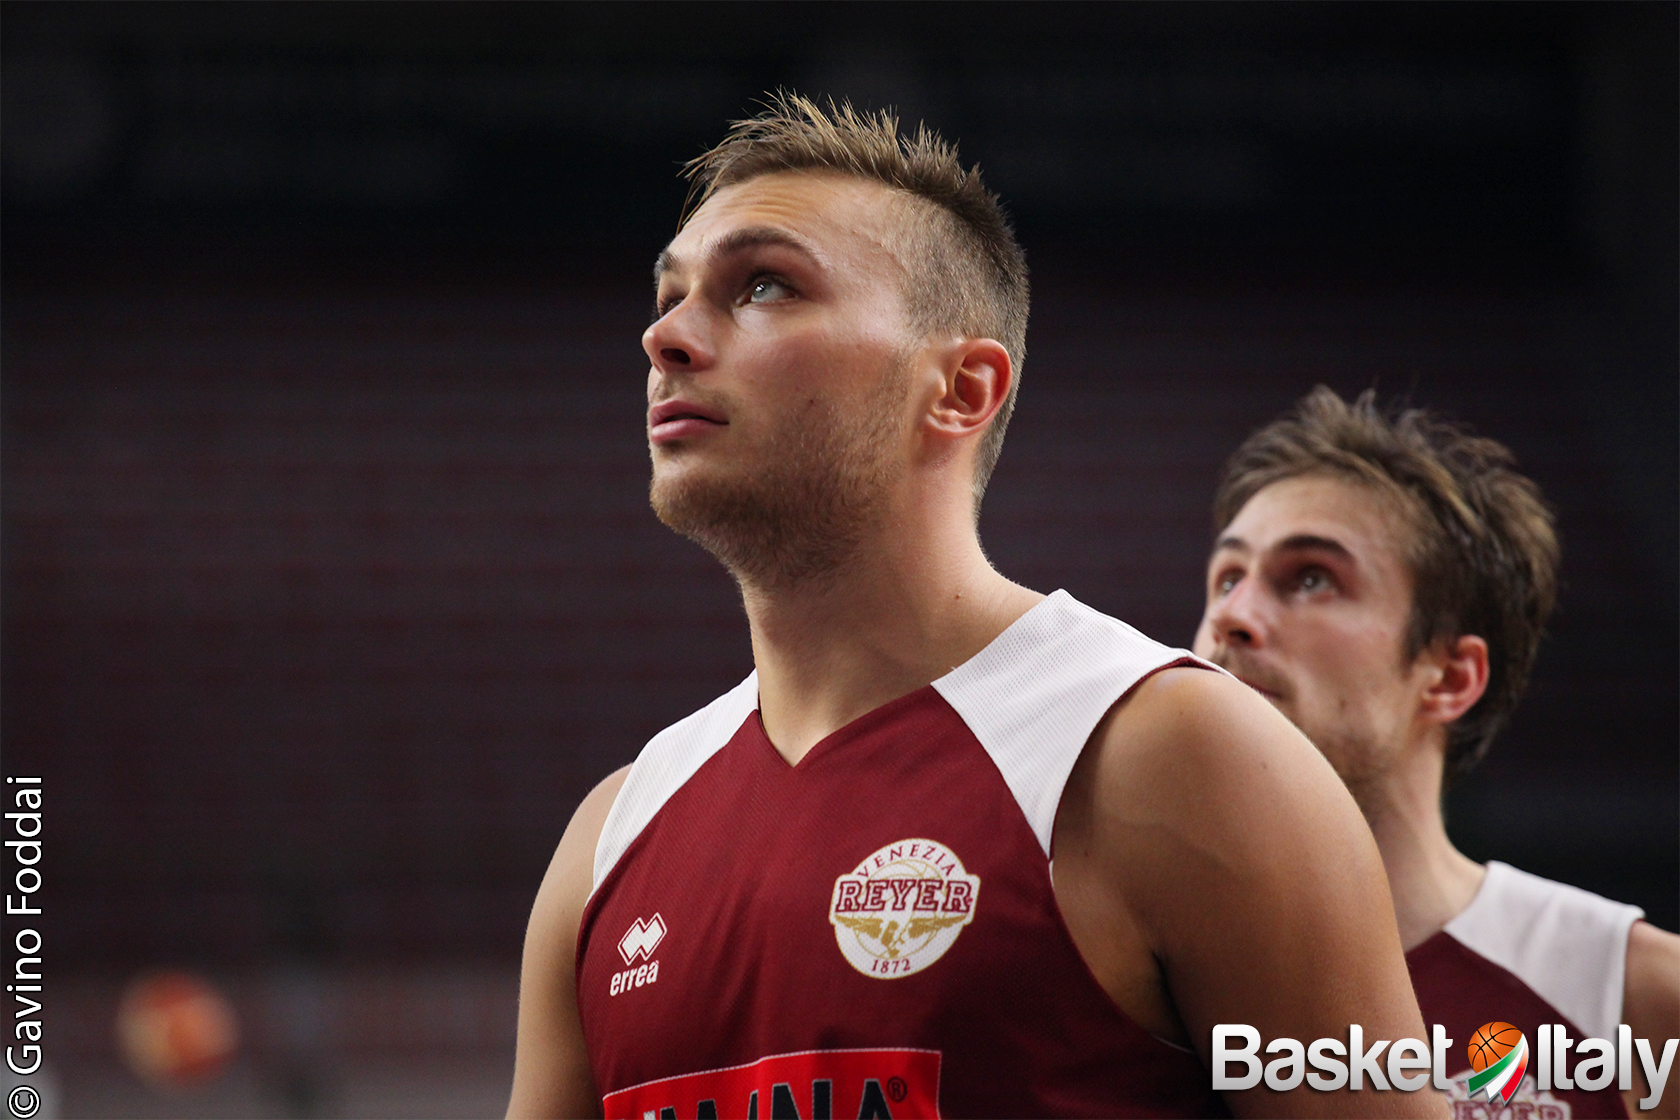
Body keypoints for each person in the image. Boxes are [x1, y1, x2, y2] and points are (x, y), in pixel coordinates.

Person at [508, 94, 1437, 1120]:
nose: (665, 336)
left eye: (762, 286)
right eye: (671, 293)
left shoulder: (1182, 755)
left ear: (960, 389)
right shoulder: (611, 838)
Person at [1193, 387, 1680, 1119]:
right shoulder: (1106, 977)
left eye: (1311, 577)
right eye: (1227, 578)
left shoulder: (1629, 992)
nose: (1231, 617)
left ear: (1449, 676)